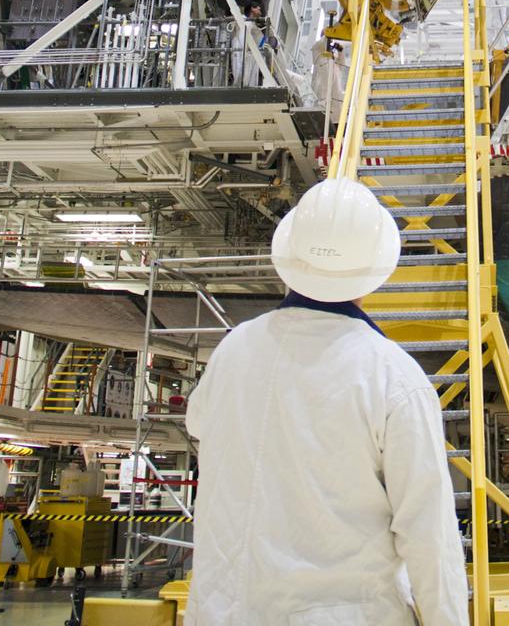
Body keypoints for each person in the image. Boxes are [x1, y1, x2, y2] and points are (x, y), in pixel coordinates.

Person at [185, 177, 469, 626]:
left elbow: (199, 426)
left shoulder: (232, 351)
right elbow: (428, 536)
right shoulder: (393, 376)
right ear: (376, 267)